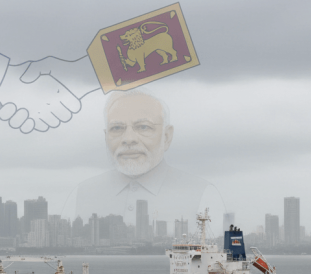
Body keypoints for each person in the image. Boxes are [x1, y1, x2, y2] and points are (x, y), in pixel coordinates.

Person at [68, 90, 226, 237]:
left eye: (143, 127)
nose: (128, 138)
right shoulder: (80, 193)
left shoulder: (204, 194)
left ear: (167, 137)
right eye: (116, 128)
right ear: (105, 136)